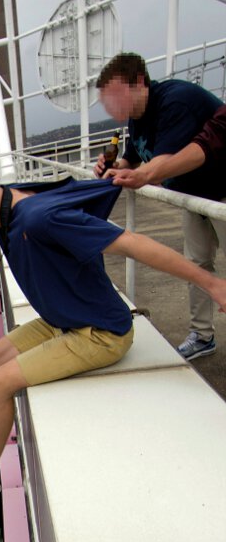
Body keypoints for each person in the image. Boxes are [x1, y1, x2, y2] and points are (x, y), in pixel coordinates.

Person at [0, 165, 226, 505]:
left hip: (100, 332)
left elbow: (133, 244)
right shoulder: (4, 197)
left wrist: (213, 284)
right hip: (63, 318)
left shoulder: (41, 218)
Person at [94, 53, 225, 360]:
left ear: (139, 81)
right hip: (194, 198)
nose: (112, 105)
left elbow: (164, 162)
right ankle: (202, 335)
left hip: (221, 193)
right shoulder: (135, 119)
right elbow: (136, 156)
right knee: (197, 264)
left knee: (200, 263)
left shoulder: (175, 101)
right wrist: (113, 165)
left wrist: (141, 175)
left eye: (116, 94)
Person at [109, 104, 226, 188]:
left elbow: (206, 145)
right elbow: (131, 159)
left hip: (216, 190)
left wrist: (146, 175)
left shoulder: (173, 105)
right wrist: (113, 168)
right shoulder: (135, 123)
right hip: (194, 193)